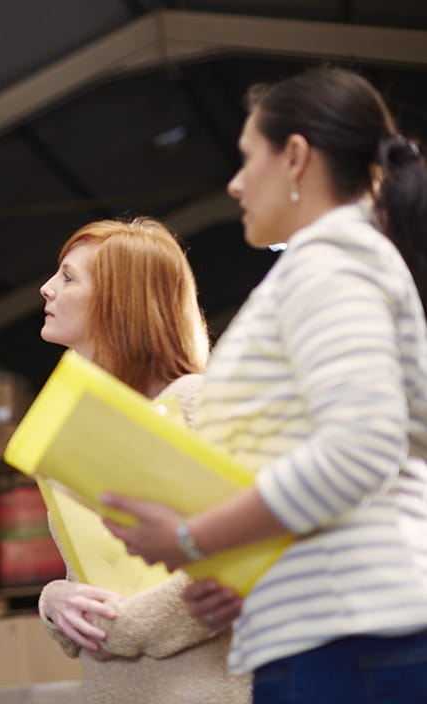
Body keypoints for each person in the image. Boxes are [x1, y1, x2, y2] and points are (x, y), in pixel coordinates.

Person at [102, 66, 427, 703]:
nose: (235, 182)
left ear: (297, 157)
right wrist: (254, 569)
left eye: (249, 158)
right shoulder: (344, 262)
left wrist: (193, 538)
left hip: (351, 641)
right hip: (333, 634)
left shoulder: (330, 263)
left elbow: (361, 446)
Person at [36, 218, 251, 703]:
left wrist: (124, 627)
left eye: (69, 277)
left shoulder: (199, 403)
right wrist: (55, 601)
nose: (47, 288)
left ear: (120, 299)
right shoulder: (81, 429)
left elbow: (242, 559)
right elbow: (90, 569)